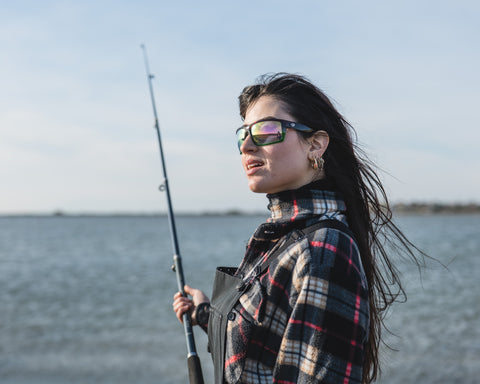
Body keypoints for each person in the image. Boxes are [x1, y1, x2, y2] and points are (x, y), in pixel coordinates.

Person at [173, 73, 421, 383]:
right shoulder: (283, 239)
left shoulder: (322, 248)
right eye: (244, 133)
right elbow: (261, 337)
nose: (247, 146)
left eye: (266, 131)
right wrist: (205, 313)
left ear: (315, 145)